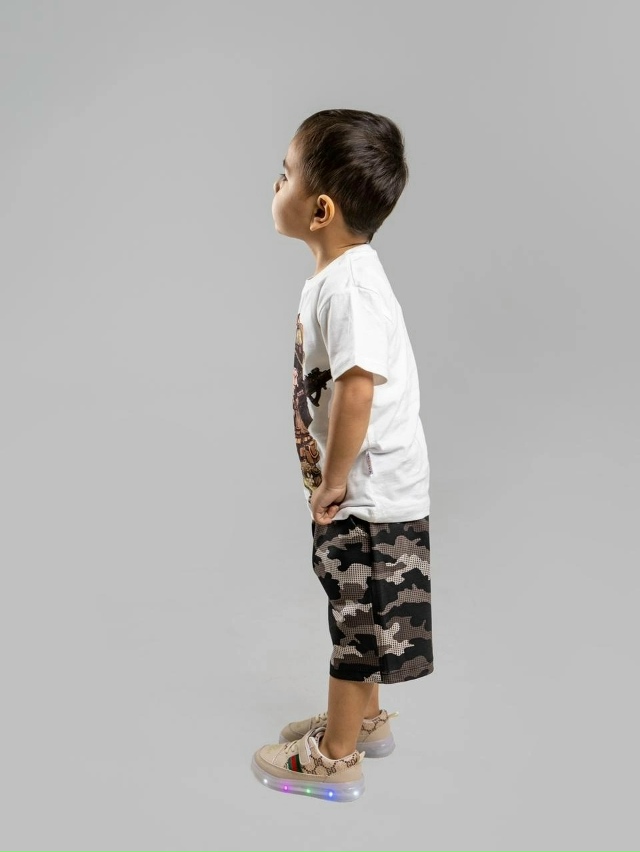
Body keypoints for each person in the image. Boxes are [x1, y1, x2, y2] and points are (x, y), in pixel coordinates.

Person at [251, 109, 433, 802]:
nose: (276, 183)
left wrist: (332, 480)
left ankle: (335, 757)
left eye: (286, 174)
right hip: (369, 491)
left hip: (368, 496)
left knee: (355, 625)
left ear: (320, 208)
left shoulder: (351, 288)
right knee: (364, 612)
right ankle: (365, 719)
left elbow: (357, 389)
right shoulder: (340, 278)